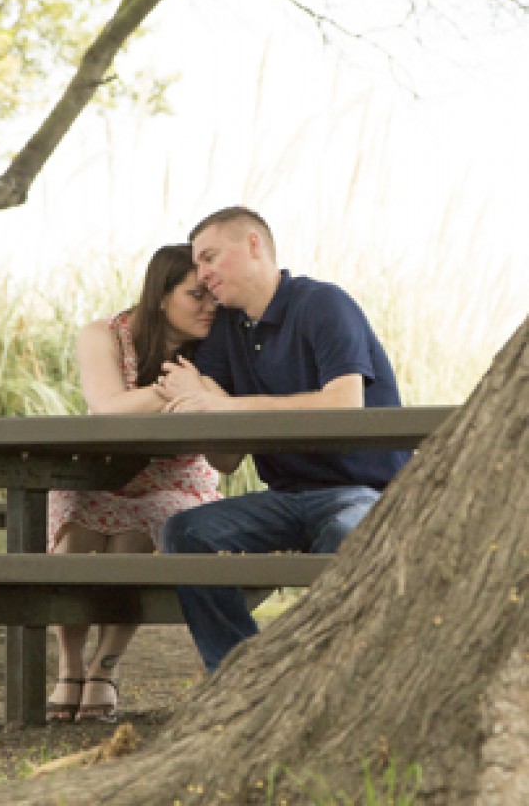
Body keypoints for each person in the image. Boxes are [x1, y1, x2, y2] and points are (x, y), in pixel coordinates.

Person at [157, 206, 410, 672]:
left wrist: (220, 404)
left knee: (348, 533)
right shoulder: (228, 329)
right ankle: (241, 676)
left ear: (254, 244)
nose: (205, 274)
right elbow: (227, 458)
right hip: (286, 499)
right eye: (199, 264)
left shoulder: (322, 304)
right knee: (186, 532)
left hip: (363, 493)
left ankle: (349, 673)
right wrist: (199, 401)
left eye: (211, 257)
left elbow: (343, 404)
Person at [46, 244, 220, 723]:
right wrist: (180, 391)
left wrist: (161, 397)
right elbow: (107, 407)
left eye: (213, 296)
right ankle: (69, 664)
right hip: (98, 470)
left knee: (132, 541)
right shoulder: (103, 335)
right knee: (74, 541)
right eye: (196, 295)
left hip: (177, 474)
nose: (210, 306)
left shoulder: (217, 344)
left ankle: (104, 668)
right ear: (160, 297)